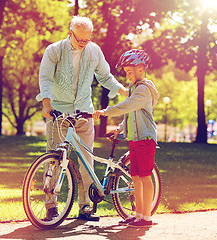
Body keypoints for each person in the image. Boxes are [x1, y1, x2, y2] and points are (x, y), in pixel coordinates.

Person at [36, 16, 128, 222]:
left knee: (86, 162)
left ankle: (85, 206)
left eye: (87, 40)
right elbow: (45, 78)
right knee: (54, 160)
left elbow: (105, 76)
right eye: (80, 40)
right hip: (59, 113)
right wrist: (46, 104)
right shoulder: (54, 51)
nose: (84, 44)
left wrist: (124, 91)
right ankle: (51, 206)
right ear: (70, 33)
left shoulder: (94, 50)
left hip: (84, 112)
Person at [93, 49, 159, 228]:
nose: (127, 75)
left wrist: (105, 111)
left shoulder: (144, 89)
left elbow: (127, 105)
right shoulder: (133, 87)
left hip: (145, 139)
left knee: (145, 178)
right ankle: (137, 215)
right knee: (136, 178)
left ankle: (146, 217)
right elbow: (130, 114)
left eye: (129, 72)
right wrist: (120, 129)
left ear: (140, 68)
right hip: (135, 139)